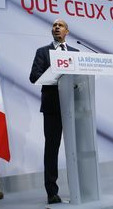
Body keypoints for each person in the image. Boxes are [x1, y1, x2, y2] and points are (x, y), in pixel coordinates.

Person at [29, 19, 79, 204]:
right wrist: (55, 72)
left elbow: (81, 78)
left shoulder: (76, 53)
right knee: (52, 149)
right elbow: (34, 76)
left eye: (61, 25)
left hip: (74, 107)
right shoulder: (43, 52)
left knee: (78, 148)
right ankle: (52, 192)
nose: (56, 27)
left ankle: (80, 187)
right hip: (52, 108)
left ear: (67, 31)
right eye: (54, 25)